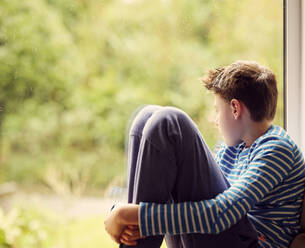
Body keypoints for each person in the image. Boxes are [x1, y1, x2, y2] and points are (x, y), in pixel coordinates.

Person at [104, 61, 305, 248]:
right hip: (227, 234)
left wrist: (136, 216)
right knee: (146, 117)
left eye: (217, 110)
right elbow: (189, 191)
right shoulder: (232, 148)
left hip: (252, 242)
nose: (213, 119)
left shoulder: (277, 150)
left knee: (170, 122)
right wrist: (130, 217)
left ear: (235, 108)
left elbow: (221, 214)